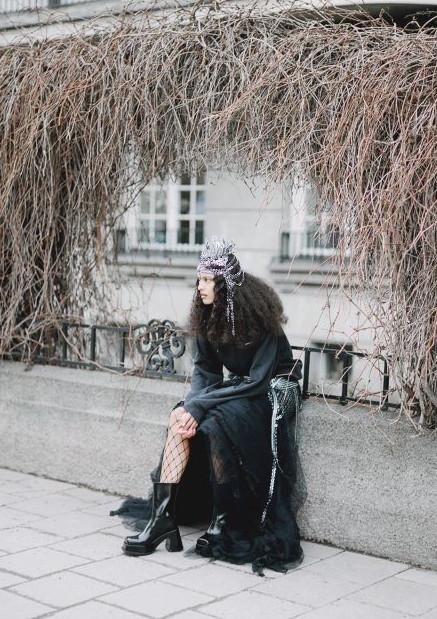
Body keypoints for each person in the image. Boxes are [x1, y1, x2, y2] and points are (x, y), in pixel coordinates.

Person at [117, 237, 304, 573]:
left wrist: (202, 407)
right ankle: (162, 519)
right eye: (199, 279)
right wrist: (190, 407)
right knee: (179, 415)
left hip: (271, 393)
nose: (200, 286)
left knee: (217, 422)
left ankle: (225, 521)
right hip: (239, 390)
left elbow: (258, 382)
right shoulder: (208, 316)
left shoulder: (261, 320)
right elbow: (205, 371)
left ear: (224, 283)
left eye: (206, 280)